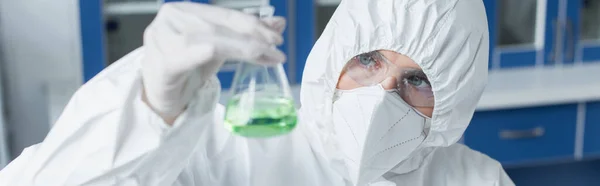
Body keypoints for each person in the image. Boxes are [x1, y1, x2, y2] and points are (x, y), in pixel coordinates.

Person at [0, 0, 515, 185]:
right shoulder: (220, 151)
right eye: (367, 60)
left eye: (416, 81)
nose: (380, 96)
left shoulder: (476, 181)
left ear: (452, 98)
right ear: (335, 52)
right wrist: (150, 111)